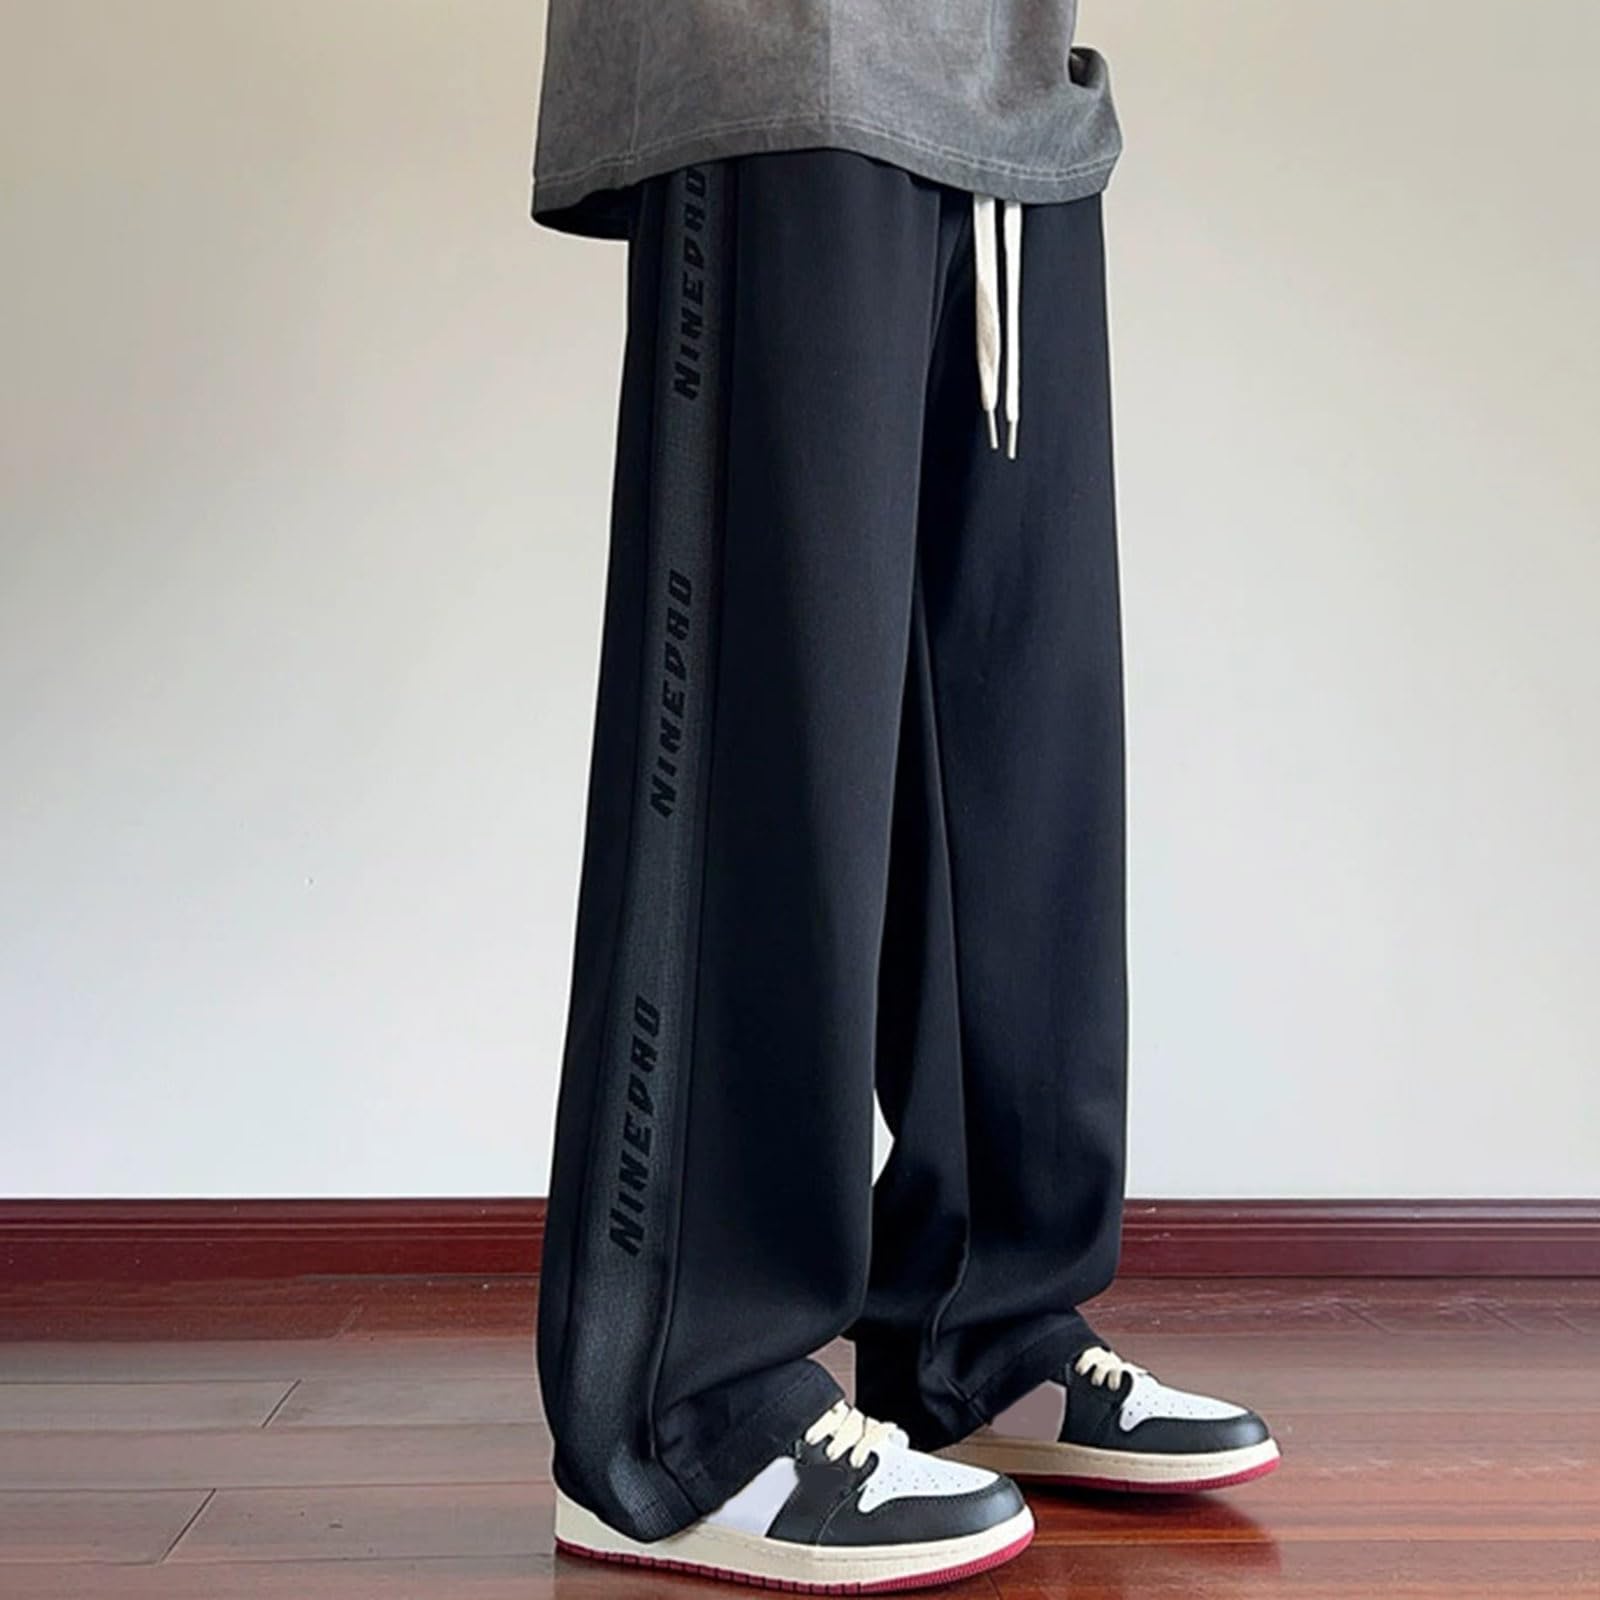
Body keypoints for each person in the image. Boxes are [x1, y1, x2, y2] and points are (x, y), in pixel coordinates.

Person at [529, 3, 1279, 1590]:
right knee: (773, 720)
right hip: (784, 52)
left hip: (1006, 86)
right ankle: (677, 1414)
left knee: (1017, 722)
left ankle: (980, 1326)